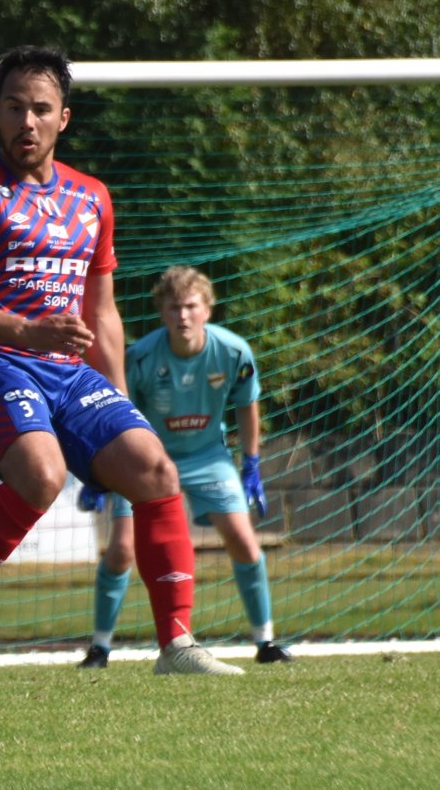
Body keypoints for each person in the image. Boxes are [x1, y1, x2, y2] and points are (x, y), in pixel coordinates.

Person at [0, 45, 243, 676]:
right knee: (41, 476)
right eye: (14, 107)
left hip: (69, 374)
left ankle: (176, 645)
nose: (27, 122)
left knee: (154, 468)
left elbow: (103, 313)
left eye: (41, 108)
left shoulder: (92, 197)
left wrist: (121, 403)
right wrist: (28, 331)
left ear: (63, 118)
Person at [77, 266, 293, 668]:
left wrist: (251, 465)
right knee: (121, 549)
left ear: (208, 310)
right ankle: (100, 648)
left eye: (192, 306)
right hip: (149, 463)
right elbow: (117, 411)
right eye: (175, 307)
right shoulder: (141, 357)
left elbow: (248, 407)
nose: (183, 316)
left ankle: (266, 643)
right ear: (162, 312)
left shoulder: (233, 352)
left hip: (207, 457)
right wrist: (101, 470)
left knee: (244, 541)